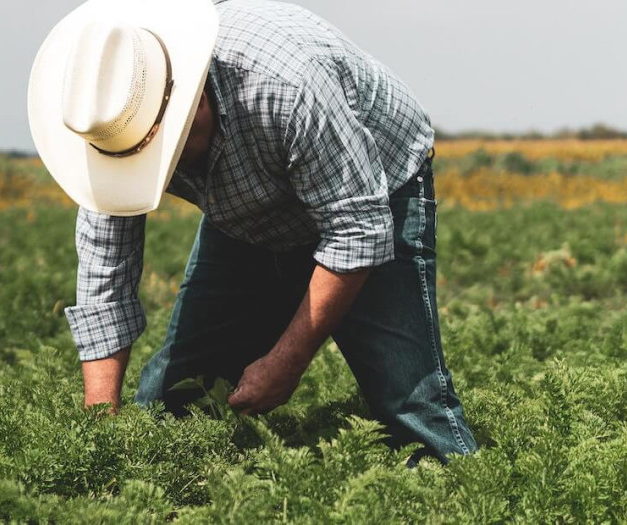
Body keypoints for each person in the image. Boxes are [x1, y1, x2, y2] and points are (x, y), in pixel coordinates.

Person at [29, 0, 477, 463]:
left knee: (409, 404)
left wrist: (288, 361)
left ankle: (455, 475)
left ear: (194, 98)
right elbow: (105, 276)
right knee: (172, 403)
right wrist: (100, 433)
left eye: (168, 148)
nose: (168, 164)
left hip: (375, 189)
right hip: (246, 212)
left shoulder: (287, 86)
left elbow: (356, 230)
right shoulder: (109, 121)